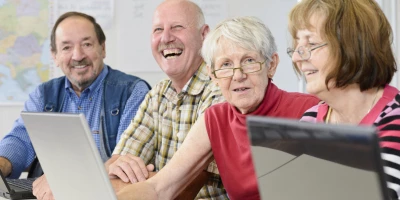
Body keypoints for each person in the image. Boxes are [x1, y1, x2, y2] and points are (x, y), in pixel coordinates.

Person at [115, 16, 320, 200]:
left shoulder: (310, 109)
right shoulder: (215, 118)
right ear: (212, 75)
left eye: (249, 61)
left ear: (271, 65)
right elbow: (160, 187)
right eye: (225, 65)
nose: (237, 75)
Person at [0, 11, 150, 199]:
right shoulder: (42, 95)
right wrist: (2, 164)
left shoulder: (133, 92)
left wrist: (62, 179)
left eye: (87, 44)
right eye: (66, 47)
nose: (78, 56)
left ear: (103, 48)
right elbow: (20, 140)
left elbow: (124, 164)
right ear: (54, 55)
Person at [105, 0, 227, 199]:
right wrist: (122, 170)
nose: (166, 37)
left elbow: (187, 185)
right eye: (158, 29)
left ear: (204, 35)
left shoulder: (222, 89)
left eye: (177, 27)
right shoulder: (158, 93)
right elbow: (117, 167)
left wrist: (144, 180)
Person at [286, 0, 400, 199]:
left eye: (311, 44)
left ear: (352, 46)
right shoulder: (311, 119)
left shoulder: (395, 120)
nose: (296, 56)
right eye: (297, 45)